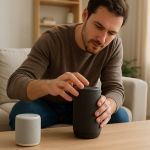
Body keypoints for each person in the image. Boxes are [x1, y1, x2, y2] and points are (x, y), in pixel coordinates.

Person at [7, 0, 129, 131]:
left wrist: (108, 106)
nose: (102, 39)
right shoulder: (52, 39)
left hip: (83, 106)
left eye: (111, 33)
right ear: (85, 15)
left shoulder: (113, 45)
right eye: (99, 26)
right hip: (45, 105)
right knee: (20, 111)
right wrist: (49, 85)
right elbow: (14, 84)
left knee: (120, 116)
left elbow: (115, 88)